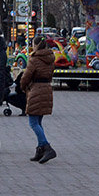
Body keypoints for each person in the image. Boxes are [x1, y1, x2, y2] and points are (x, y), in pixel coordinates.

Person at [20, 36, 57, 164]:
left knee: (33, 123)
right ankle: (40, 150)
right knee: (39, 121)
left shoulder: (34, 59)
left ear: (35, 45)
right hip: (47, 88)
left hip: (36, 89)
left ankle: (47, 147)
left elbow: (26, 76)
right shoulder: (51, 58)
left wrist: (22, 86)